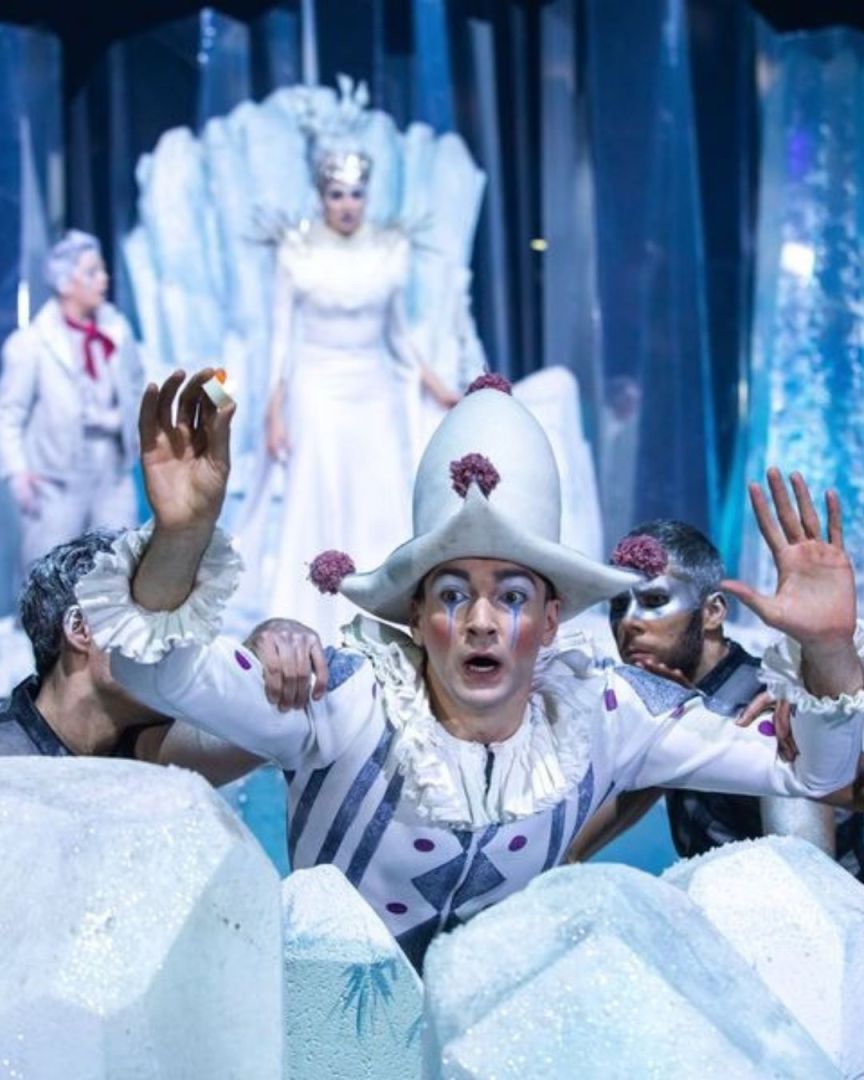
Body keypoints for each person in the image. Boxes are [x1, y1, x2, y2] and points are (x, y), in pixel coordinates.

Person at [77, 369, 864, 972]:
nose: (482, 620)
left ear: (551, 622)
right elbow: (151, 675)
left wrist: (831, 649)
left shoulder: (608, 715)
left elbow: (811, 776)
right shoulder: (342, 703)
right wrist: (180, 537)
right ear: (416, 615)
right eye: (454, 594)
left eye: (512, 596)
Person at [565, 520, 864, 879]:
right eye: (618, 605)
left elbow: (806, 877)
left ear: (713, 612)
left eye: (654, 601)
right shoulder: (671, 704)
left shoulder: (769, 707)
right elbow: (570, 852)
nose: (629, 623)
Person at [245, 147, 457, 643]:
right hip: (316, 386)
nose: (347, 205)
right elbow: (280, 339)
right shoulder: (297, 250)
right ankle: (311, 614)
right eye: (337, 194)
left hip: (372, 385)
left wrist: (436, 385)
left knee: (376, 494)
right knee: (318, 493)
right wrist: (273, 411)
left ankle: (384, 610)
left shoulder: (387, 249)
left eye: (356, 194)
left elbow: (399, 333)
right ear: (322, 196)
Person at [1, 527, 323, 787]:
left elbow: (264, 726)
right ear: (80, 628)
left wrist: (267, 647)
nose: (178, 643)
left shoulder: (150, 746)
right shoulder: (9, 757)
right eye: (154, 620)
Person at [0, 231, 144, 574]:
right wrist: (17, 472)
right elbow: (9, 413)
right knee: (51, 574)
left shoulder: (117, 331)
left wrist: (132, 426)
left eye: (103, 270)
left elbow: (137, 387)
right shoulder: (33, 343)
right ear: (66, 283)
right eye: (92, 272)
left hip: (111, 471)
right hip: (56, 481)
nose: (103, 279)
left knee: (118, 567)